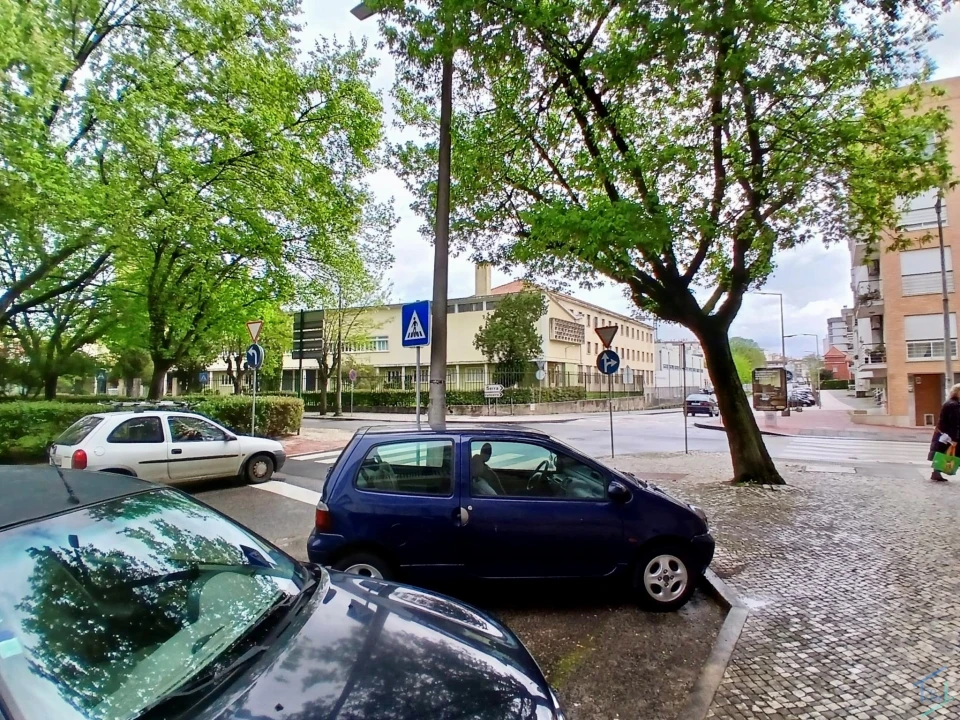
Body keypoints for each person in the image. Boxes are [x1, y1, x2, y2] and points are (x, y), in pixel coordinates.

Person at [929, 383, 960, 482]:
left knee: (942, 453)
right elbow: (955, 423)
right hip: (949, 435)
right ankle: (936, 473)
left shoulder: (950, 403)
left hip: (944, 434)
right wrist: (955, 438)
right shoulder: (954, 405)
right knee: (943, 454)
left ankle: (936, 473)